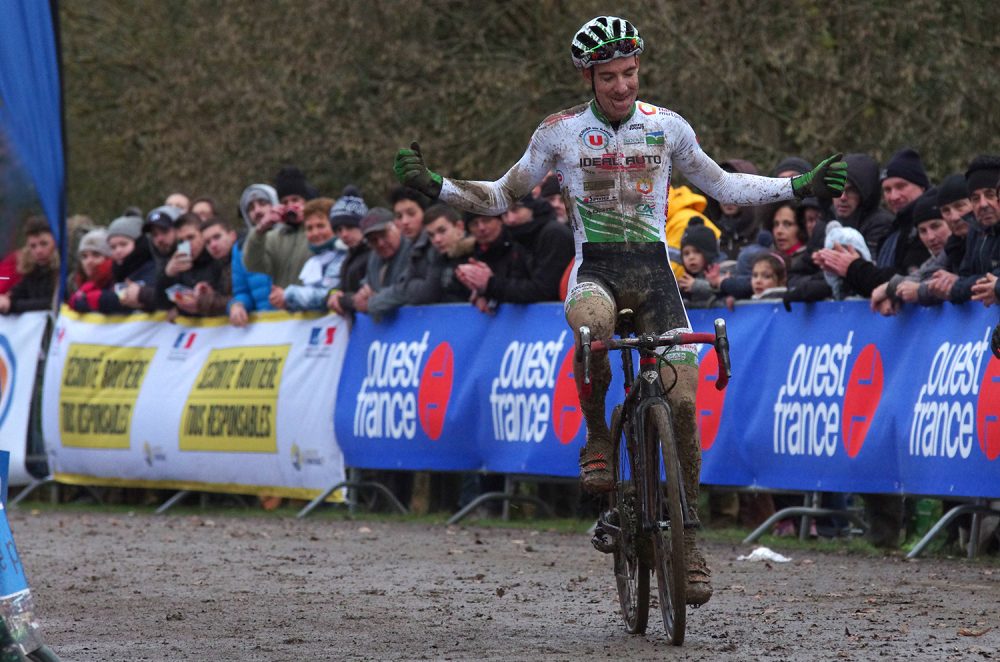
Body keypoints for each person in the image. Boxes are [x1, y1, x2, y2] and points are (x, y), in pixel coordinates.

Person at [393, 14, 846, 606]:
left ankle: (688, 537)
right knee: (592, 328)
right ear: (589, 77)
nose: (622, 86)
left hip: (656, 277)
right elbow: (503, 194)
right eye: (609, 77)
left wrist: (799, 185)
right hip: (597, 272)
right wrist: (438, 186)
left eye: (629, 73)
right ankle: (599, 436)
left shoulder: (667, 127)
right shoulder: (559, 133)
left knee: (682, 405)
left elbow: (724, 187)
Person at [328, 208, 413, 321]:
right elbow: (366, 287)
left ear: (397, 227)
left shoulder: (412, 251)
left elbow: (405, 291)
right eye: (373, 240)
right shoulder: (375, 256)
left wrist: (371, 303)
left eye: (384, 235)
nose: (380, 243)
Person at [242, 167, 315, 288]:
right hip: (283, 299)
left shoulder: (317, 231)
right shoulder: (275, 237)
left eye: (295, 200)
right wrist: (260, 230)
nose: (290, 206)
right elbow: (253, 265)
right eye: (285, 202)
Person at [881, 189, 952, 311]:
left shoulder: (961, 251)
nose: (930, 237)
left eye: (936, 226)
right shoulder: (932, 261)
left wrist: (919, 291)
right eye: (922, 231)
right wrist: (890, 290)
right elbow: (921, 276)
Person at [278, 198, 349, 312]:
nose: (315, 233)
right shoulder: (313, 261)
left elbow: (326, 296)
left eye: (321, 226)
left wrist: (289, 294)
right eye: (309, 228)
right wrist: (286, 304)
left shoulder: (344, 257)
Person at [230, 184, 278, 326]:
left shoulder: (292, 236)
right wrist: (237, 305)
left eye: (263, 203)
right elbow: (242, 291)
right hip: (266, 326)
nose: (257, 211)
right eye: (251, 208)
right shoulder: (240, 248)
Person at [0, 217, 58, 314]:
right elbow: (18, 292)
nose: (38, 251)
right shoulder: (32, 271)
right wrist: (5, 299)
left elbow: (52, 302)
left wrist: (12, 305)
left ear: (56, 243)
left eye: (44, 244)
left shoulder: (63, 272)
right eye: (33, 246)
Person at [327, 186, 370, 304]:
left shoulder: (375, 255)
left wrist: (341, 300)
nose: (344, 234)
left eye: (350, 227)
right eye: (339, 230)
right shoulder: (349, 257)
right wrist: (333, 294)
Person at [67, 229, 113, 312]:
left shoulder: (115, 284)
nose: (89, 261)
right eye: (84, 256)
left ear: (108, 257)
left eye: (96, 255)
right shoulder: (73, 284)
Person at [677, 219, 720, 306]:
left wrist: (696, 285)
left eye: (697, 251)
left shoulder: (722, 270)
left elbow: (724, 291)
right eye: (686, 253)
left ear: (709, 253)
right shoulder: (684, 281)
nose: (691, 257)